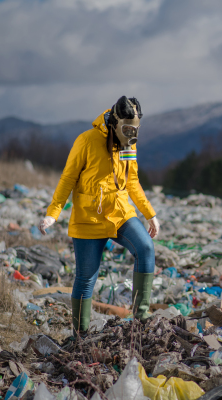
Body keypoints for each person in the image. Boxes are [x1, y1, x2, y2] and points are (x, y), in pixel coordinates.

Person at [39, 96, 159, 336]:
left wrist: (149, 214)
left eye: (135, 129)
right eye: (127, 129)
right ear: (115, 123)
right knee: (86, 278)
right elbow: (67, 178)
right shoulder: (86, 141)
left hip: (120, 212)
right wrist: (53, 213)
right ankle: (80, 336)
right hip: (88, 217)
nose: (131, 134)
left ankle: (141, 319)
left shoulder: (128, 145)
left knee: (145, 248)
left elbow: (132, 181)